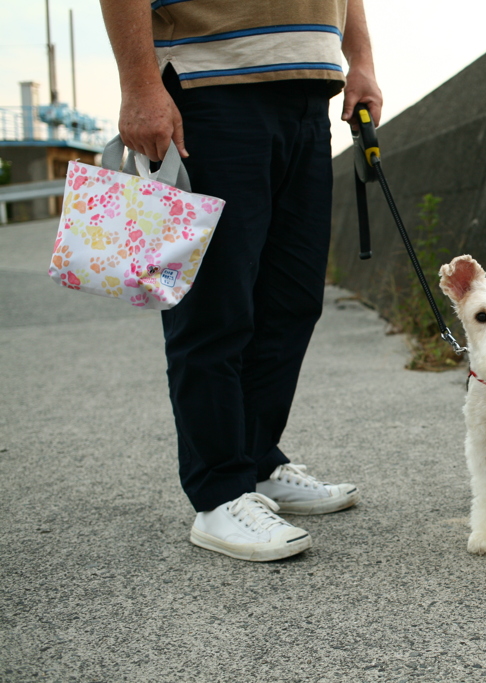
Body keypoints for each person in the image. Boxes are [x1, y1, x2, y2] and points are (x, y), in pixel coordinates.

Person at [99, 0, 383, 561]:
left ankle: (254, 459)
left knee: (292, 301)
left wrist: (362, 61)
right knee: (215, 307)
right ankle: (220, 493)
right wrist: (139, 85)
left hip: (308, 89)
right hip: (209, 89)